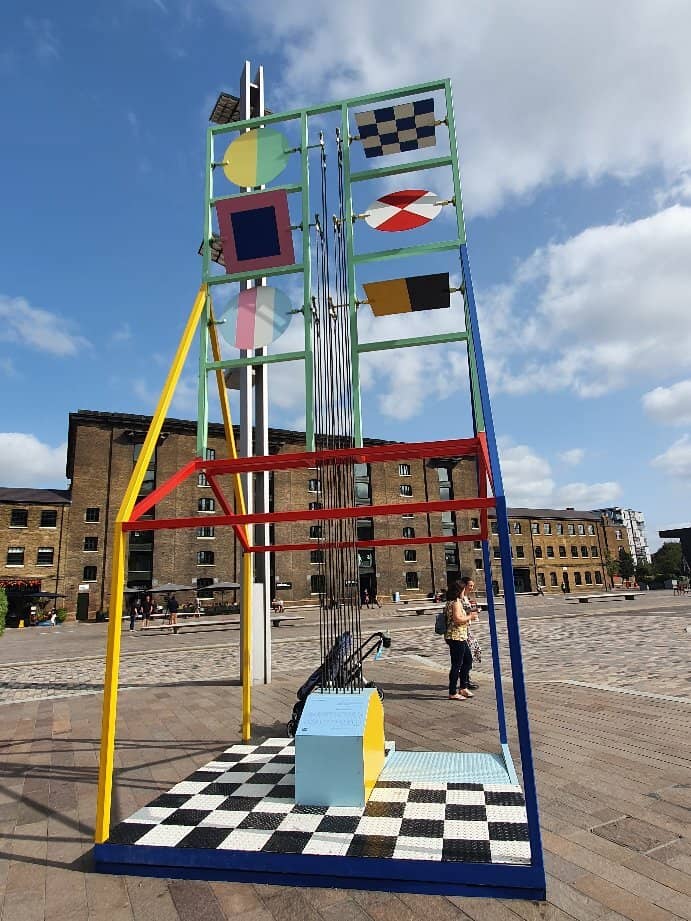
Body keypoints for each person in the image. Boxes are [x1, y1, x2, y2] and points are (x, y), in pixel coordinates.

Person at [444, 579, 479, 700]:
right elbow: (457, 619)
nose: (465, 591)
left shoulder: (453, 601)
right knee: (457, 665)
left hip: (460, 636)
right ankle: (453, 691)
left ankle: (463, 687)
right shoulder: (455, 603)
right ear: (459, 590)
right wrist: (471, 616)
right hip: (456, 636)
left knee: (468, 660)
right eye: (464, 589)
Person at [459, 576, 480, 690]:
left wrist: (473, 611)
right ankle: (465, 680)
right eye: (470, 585)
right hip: (462, 631)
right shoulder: (460, 599)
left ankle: (466, 678)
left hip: (467, 629)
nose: (472, 588)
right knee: (467, 656)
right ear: (464, 585)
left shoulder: (465, 597)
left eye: (472, 585)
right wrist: (470, 614)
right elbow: (460, 614)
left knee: (472, 653)